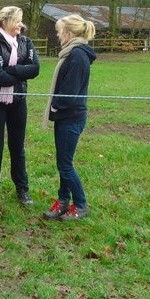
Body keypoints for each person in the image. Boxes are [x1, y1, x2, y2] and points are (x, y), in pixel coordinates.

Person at [0, 6, 40, 210]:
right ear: (4, 22)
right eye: (17, 20)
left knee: (18, 147)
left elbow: (35, 69)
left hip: (18, 100)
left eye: (22, 20)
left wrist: (11, 70)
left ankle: (22, 189)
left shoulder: (26, 42)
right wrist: (20, 73)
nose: (21, 25)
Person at [41, 14, 97, 221]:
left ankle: (81, 205)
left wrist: (55, 106)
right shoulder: (73, 53)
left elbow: (69, 92)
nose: (57, 35)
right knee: (63, 163)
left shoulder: (77, 56)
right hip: (66, 117)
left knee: (65, 165)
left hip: (71, 118)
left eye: (59, 31)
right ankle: (63, 201)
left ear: (69, 33)